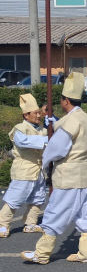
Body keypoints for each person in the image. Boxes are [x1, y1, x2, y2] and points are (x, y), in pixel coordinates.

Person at [21, 72, 87, 264]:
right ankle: (86, 252)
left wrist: (45, 163)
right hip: (85, 172)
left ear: (65, 101)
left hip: (68, 172)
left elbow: (56, 149)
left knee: (56, 211)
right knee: (85, 212)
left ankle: (42, 253)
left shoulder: (70, 121)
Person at [0, 94, 48, 238]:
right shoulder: (19, 128)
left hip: (39, 169)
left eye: (39, 112)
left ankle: (30, 223)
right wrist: (47, 139)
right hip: (24, 168)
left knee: (38, 198)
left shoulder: (43, 129)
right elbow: (23, 142)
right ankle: (3, 224)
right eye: (36, 113)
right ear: (26, 115)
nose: (39, 115)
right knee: (15, 198)